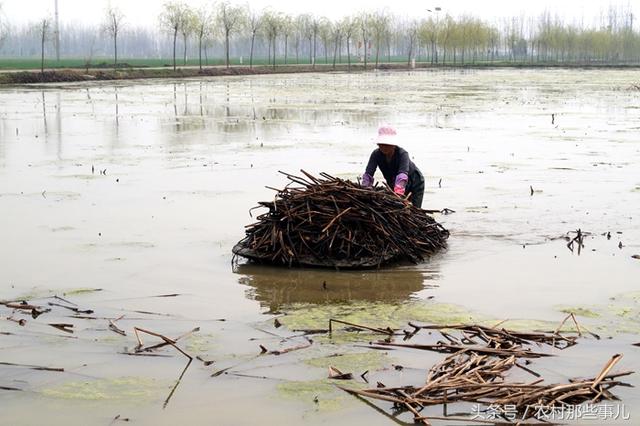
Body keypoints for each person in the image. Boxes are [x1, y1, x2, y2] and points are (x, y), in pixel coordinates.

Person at [362, 126, 425, 208]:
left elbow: (402, 175)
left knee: (415, 209)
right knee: (395, 206)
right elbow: (368, 174)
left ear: (394, 145)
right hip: (392, 181)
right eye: (382, 144)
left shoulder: (402, 154)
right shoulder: (376, 154)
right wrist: (365, 190)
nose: (384, 147)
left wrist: (398, 195)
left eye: (387, 144)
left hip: (414, 181)